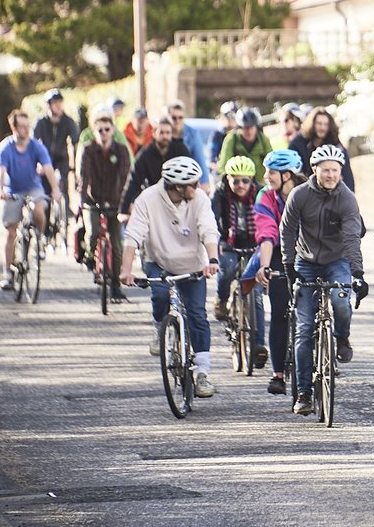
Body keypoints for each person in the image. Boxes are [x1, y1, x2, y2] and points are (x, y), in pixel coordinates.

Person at [280, 144, 368, 416]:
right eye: (325, 170)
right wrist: (288, 264)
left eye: (335, 171)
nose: (330, 175)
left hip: (337, 261)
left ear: (341, 172)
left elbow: (353, 237)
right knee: (304, 329)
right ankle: (304, 392)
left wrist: (358, 273)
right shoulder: (300, 195)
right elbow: (288, 230)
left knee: (342, 302)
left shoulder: (347, 198)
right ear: (315, 170)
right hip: (305, 263)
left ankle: (342, 337)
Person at [121, 156, 220, 396]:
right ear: (177, 186)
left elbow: (208, 230)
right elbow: (133, 235)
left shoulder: (200, 200)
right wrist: (126, 269)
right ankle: (159, 328)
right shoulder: (148, 199)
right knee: (160, 294)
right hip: (159, 261)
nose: (198, 188)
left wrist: (213, 260)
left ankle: (202, 374)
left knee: (197, 314)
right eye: (193, 185)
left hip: (192, 264)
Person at [247, 149, 306, 395]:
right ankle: (278, 374)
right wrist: (265, 266)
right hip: (280, 256)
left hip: (309, 254)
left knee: (313, 310)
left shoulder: (308, 193)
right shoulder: (266, 196)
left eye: (271, 172)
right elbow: (267, 232)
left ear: (287, 175)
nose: (266, 176)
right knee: (280, 313)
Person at [0, 110, 59, 291]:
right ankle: (7, 273)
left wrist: (55, 189)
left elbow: (48, 168)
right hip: (12, 190)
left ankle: (39, 240)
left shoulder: (36, 146)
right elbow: (0, 172)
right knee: (11, 232)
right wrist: (1, 190)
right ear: (14, 128)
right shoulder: (5, 148)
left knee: (39, 208)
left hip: (33, 188)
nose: (26, 130)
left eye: (27, 126)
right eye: (22, 127)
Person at [78, 110, 131, 301]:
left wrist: (126, 202)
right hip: (93, 200)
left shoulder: (122, 150)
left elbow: (126, 178)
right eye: (99, 129)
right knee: (92, 232)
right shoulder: (88, 150)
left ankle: (116, 286)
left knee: (117, 245)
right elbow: (83, 177)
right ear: (94, 131)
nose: (104, 132)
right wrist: (82, 200)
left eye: (107, 129)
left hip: (116, 201)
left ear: (113, 130)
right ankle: (91, 256)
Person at [211, 156, 263, 335]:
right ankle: (222, 298)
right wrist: (216, 241)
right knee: (227, 267)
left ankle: (253, 320)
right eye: (235, 180)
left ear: (252, 181)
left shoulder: (260, 193)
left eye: (245, 180)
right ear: (228, 179)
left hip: (253, 240)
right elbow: (212, 220)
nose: (240, 185)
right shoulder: (220, 192)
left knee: (257, 282)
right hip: (228, 239)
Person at [119, 117, 190, 216]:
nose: (165, 136)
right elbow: (134, 181)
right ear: (154, 133)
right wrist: (124, 209)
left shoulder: (180, 149)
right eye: (161, 132)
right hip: (155, 200)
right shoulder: (145, 154)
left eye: (168, 133)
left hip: (178, 199)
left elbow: (190, 174)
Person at [33, 89, 80, 210]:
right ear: (49, 105)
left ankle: (66, 210)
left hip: (61, 158)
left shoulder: (68, 121)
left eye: (60, 102)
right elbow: (33, 143)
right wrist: (37, 162)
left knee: (63, 183)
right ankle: (47, 214)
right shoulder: (41, 122)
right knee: (45, 187)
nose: (59, 106)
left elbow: (75, 142)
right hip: (45, 158)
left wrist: (76, 165)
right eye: (55, 103)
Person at [289, 106, 355, 191]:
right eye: (319, 124)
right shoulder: (298, 142)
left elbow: (347, 174)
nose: (322, 128)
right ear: (312, 124)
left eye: (326, 124)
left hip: (332, 191)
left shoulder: (335, 143)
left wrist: (349, 194)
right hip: (306, 190)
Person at [217, 107, 273, 186]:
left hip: (259, 182)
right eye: (245, 128)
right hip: (238, 183)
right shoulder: (231, 139)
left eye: (252, 127)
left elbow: (271, 162)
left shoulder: (263, 139)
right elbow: (224, 164)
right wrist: (225, 184)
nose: (249, 131)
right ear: (239, 127)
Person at [166, 101, 211, 190]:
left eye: (180, 117)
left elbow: (200, 160)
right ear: (168, 117)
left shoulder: (192, 134)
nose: (177, 121)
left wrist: (204, 183)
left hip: (187, 180)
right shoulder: (163, 134)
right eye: (174, 118)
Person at [210, 101, 239, 174]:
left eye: (233, 116)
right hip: (222, 172)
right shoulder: (217, 134)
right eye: (228, 116)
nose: (231, 119)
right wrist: (214, 164)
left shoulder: (240, 134)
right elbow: (212, 153)